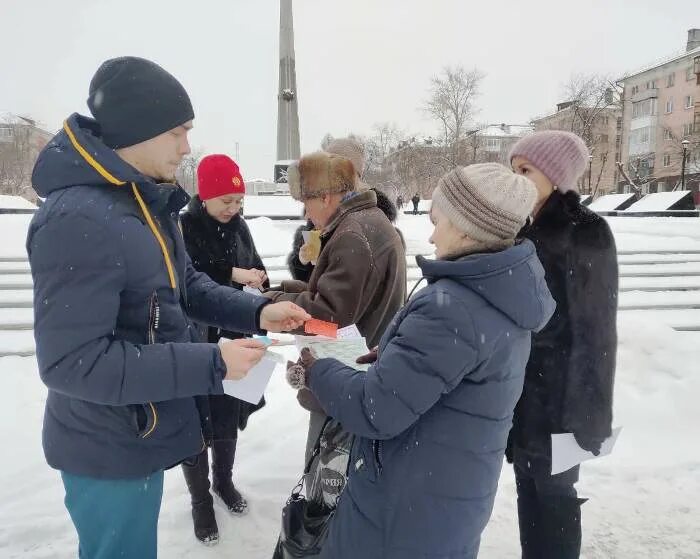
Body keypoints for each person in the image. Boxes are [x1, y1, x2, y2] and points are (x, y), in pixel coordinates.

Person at [27, 56, 309, 559]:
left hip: (137, 431)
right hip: (106, 447)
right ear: (141, 128)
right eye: (179, 132)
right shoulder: (80, 218)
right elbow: (72, 363)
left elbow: (185, 287)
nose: (186, 146)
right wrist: (213, 362)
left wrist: (256, 312)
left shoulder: (136, 204)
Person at [286, 163, 555, 559]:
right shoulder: (501, 291)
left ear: (466, 227)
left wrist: (316, 370)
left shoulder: (454, 308)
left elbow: (373, 409)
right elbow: (457, 373)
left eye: (438, 220)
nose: (431, 234)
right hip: (446, 497)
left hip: (403, 510)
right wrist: (396, 356)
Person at [509, 130, 618, 558]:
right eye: (513, 170)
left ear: (555, 176)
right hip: (521, 392)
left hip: (562, 398)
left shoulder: (585, 232)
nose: (516, 179)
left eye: (526, 170)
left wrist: (589, 415)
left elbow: (596, 332)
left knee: (554, 501)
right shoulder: (521, 229)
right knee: (527, 495)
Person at [266, 149, 406, 473]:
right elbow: (339, 302)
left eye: (306, 202)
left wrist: (272, 307)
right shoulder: (368, 221)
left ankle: (318, 524)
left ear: (326, 197)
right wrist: (281, 293)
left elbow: (327, 321)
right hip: (360, 372)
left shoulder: (351, 234)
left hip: (345, 378)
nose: (306, 213)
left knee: (325, 487)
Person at [179, 154, 269, 544]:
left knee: (227, 413)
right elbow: (187, 277)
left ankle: (224, 482)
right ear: (205, 195)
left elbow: (254, 263)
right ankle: (200, 500)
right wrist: (231, 273)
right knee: (196, 421)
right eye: (225, 202)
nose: (233, 209)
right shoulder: (183, 226)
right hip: (195, 340)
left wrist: (259, 279)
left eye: (239, 202)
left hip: (233, 334)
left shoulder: (239, 225)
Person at [286, 138, 405, 282]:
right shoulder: (318, 219)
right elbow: (308, 282)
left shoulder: (370, 227)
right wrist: (302, 262)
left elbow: (342, 296)